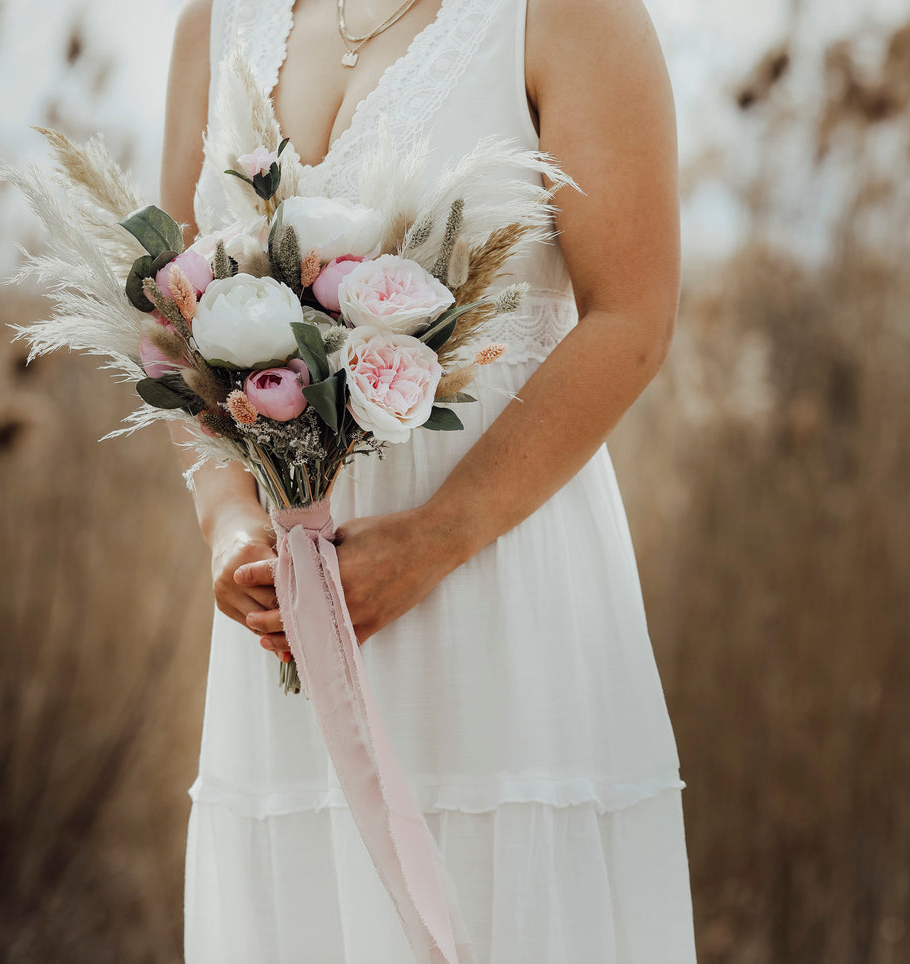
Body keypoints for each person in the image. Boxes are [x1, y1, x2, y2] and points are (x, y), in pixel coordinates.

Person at [159, 0, 695, 959]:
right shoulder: (214, 22)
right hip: (282, 611)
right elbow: (172, 319)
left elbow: (632, 316)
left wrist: (441, 533)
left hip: (496, 585)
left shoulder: (569, 16)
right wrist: (230, 524)